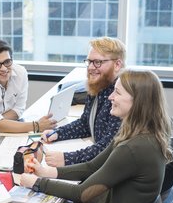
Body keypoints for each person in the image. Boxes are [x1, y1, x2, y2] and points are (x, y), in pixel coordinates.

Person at [21, 69, 173, 203]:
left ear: (137, 101)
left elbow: (82, 193)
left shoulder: (134, 148)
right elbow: (91, 167)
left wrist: (37, 183)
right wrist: (47, 172)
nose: (110, 97)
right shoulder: (134, 133)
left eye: (117, 92)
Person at [41, 37, 125, 167]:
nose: (91, 67)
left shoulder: (122, 98)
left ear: (117, 65)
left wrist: (67, 158)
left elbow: (108, 149)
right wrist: (58, 133)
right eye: (89, 61)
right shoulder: (98, 86)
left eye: (97, 62)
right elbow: (85, 123)